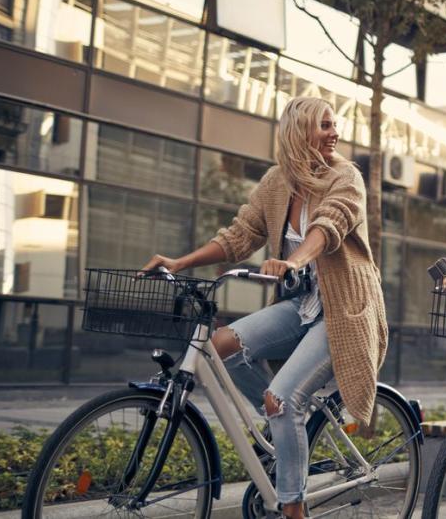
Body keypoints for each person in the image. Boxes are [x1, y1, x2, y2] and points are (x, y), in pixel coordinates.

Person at [141, 97, 386, 519]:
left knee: (282, 398)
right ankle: (281, 421)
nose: (335, 133)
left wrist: (293, 260)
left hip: (344, 310)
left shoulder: (346, 177)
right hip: (302, 305)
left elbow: (329, 226)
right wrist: (180, 262)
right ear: (300, 131)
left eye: (334, 125)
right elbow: (239, 235)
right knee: (221, 346)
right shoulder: (277, 183)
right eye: (325, 125)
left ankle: (293, 508)